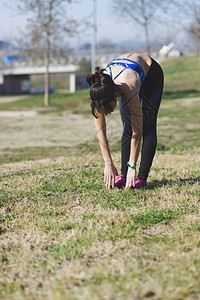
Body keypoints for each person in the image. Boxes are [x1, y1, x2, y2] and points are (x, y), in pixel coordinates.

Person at [86, 53, 164, 190]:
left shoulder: (129, 87)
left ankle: (141, 177)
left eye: (108, 110)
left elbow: (137, 131)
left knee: (147, 125)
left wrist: (132, 166)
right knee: (126, 127)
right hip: (125, 70)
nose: (107, 113)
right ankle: (123, 175)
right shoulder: (99, 92)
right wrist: (108, 163)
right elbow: (101, 132)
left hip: (151, 74)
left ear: (114, 97)